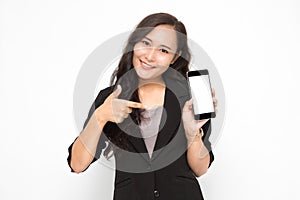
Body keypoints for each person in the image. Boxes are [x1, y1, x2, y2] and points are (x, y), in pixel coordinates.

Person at [67, 12, 218, 200]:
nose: (150, 56)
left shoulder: (188, 99)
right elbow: (77, 164)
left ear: (174, 58)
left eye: (163, 50)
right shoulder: (110, 98)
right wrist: (101, 116)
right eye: (146, 43)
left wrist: (192, 134)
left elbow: (200, 168)